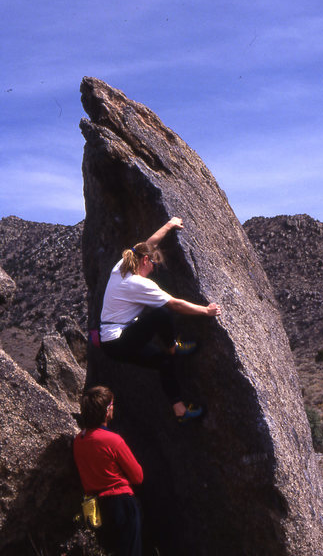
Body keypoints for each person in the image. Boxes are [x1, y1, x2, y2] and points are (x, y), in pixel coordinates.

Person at [100, 216, 221, 423]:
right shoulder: (138, 283)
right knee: (160, 313)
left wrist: (169, 225)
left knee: (164, 362)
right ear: (145, 261)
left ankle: (180, 411)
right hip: (119, 341)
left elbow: (148, 244)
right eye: (153, 263)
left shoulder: (119, 268)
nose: (154, 269)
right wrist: (206, 311)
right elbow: (174, 304)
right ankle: (173, 346)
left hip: (111, 343)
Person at [73, 385, 143, 556]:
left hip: (97, 507)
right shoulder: (113, 440)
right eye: (112, 404)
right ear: (107, 411)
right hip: (122, 503)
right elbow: (138, 476)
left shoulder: (78, 441)